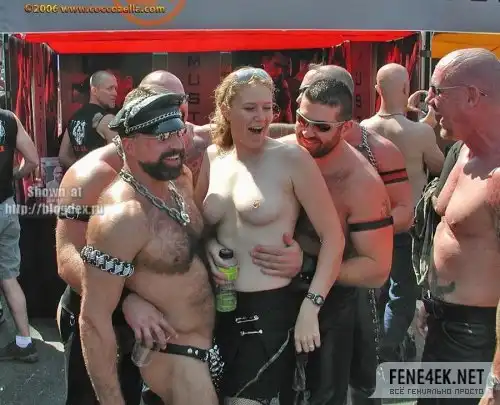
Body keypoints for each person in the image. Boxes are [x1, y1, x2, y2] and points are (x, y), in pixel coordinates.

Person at [196, 67, 345, 404]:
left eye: (268, 108)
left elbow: (333, 237)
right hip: (216, 308)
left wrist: (311, 307)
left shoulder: (292, 159)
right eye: (250, 108)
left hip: (269, 311)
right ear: (226, 110)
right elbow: (197, 226)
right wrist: (209, 246)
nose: (261, 117)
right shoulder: (213, 156)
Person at [80, 91, 220, 405]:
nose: (175, 145)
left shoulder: (180, 180)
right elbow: (93, 320)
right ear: (128, 145)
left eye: (177, 133)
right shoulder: (122, 217)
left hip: (214, 346)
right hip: (177, 356)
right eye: (160, 137)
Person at [55, 82, 187, 405]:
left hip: (157, 325)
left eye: (180, 119)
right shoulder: (90, 175)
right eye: (162, 126)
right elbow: (66, 256)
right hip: (99, 316)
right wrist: (127, 299)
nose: (178, 135)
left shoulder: (173, 165)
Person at [276, 77, 393, 405]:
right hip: (270, 297)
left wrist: (309, 267)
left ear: (346, 127)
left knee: (324, 397)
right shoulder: (280, 152)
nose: (307, 132)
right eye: (302, 120)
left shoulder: (360, 183)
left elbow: (376, 269)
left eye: (321, 127)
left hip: (331, 305)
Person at [416, 48, 500, 405]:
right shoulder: (460, 151)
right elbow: (444, 228)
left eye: (437, 91)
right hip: (441, 324)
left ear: (472, 95)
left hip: (476, 338)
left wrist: (496, 379)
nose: (428, 101)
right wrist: (427, 299)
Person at [361, 63, 445, 364]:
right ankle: (384, 351)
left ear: (377, 90)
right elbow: (440, 167)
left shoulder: (363, 129)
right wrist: (426, 127)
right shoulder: (419, 132)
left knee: (376, 289)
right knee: (403, 294)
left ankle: (374, 347)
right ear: (406, 89)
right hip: (408, 223)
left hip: (371, 223)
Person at [0, 108, 40, 362]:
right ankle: (25, 342)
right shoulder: (8, 118)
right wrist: (13, 175)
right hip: (6, 207)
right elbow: (33, 159)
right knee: (9, 277)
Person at [58, 70, 118, 169]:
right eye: (110, 88)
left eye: (115, 88)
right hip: (103, 177)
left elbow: (63, 156)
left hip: (81, 177)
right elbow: (118, 159)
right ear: (94, 91)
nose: (115, 93)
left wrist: (81, 170)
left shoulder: (74, 118)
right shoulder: (107, 120)